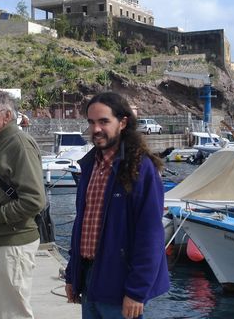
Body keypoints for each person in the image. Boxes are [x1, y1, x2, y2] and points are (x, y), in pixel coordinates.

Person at [65, 92, 170, 319]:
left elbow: (150, 235)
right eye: (91, 122)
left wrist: (137, 291)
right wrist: (72, 275)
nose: (96, 129)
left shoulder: (141, 169)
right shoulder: (90, 165)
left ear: (122, 123)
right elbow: (82, 224)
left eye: (104, 121)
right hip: (89, 278)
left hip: (121, 283)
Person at [0, 91, 46, 319]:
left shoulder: (18, 144)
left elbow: (34, 199)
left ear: (7, 116)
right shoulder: (2, 144)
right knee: (9, 311)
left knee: (15, 313)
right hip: (2, 240)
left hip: (12, 243)